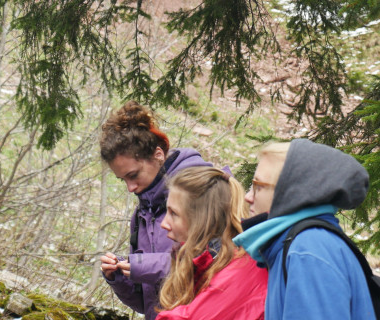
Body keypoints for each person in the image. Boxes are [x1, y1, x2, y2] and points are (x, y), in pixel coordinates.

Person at [98, 101, 215, 320]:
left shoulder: (204, 193)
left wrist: (140, 265)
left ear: (158, 154)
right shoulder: (142, 215)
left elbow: (207, 266)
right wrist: (119, 277)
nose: (130, 188)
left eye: (133, 175)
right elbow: (147, 304)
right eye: (122, 179)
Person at [233, 139, 375, 319]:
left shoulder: (308, 251)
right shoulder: (296, 244)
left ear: (290, 193)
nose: (248, 197)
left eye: (258, 186)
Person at [155, 167, 267, 319]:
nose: (164, 223)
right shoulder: (216, 261)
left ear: (201, 222)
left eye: (174, 213)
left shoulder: (240, 268)